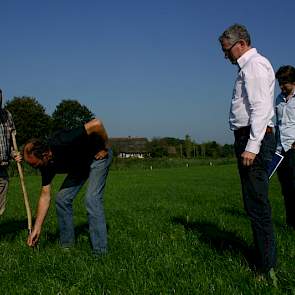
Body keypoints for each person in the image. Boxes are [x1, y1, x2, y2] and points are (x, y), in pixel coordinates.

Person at [219, 24, 277, 280]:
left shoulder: (254, 66)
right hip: (248, 138)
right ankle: (262, 259)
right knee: (252, 203)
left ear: (240, 44)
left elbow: (261, 109)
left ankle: (266, 268)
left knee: (257, 204)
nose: (226, 56)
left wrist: (252, 146)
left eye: (227, 50)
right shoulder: (247, 67)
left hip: (254, 139)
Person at [24, 118, 112, 255]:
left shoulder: (62, 140)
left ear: (45, 155)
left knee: (92, 199)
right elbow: (45, 195)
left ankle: (100, 252)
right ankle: (67, 246)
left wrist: (105, 147)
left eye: (35, 165)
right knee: (62, 199)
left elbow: (97, 124)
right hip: (80, 167)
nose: (35, 168)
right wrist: (37, 228)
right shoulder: (45, 165)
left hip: (98, 156)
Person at [275, 65, 295, 230]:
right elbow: (279, 124)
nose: (281, 86)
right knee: (286, 189)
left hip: (294, 148)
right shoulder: (278, 100)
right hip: (281, 150)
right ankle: (290, 223)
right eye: (280, 83)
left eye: (284, 83)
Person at [0, 89, 19, 216]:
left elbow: (11, 143)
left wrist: (14, 154)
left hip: (2, 168)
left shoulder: (7, 115)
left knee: (0, 207)